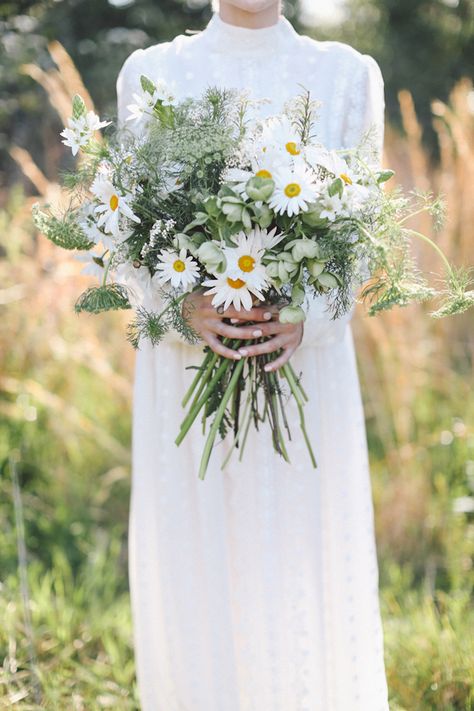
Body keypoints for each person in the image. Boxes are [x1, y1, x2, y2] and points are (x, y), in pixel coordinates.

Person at [116, 1, 389, 709]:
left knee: (298, 566)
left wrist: (309, 315)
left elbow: (359, 248)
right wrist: (182, 306)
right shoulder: (152, 75)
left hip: (301, 369)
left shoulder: (347, 77)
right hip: (188, 370)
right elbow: (121, 235)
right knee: (199, 567)